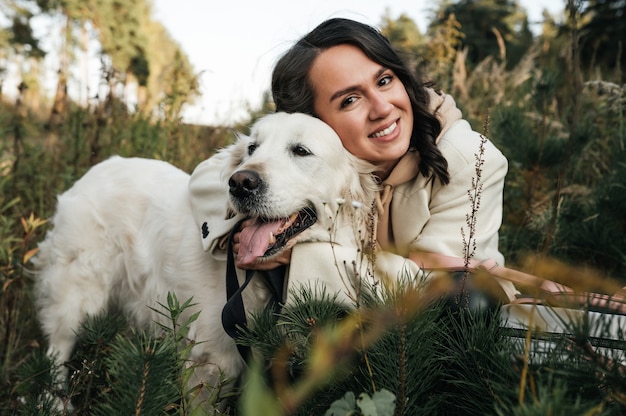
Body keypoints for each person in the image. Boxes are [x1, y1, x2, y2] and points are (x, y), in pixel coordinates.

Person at [188, 17, 517, 303]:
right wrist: (243, 230)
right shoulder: (317, 148)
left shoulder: (470, 159)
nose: (383, 108)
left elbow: (435, 288)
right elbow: (209, 176)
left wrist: (299, 256)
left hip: (442, 336)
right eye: (350, 100)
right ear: (315, 122)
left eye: (385, 80)